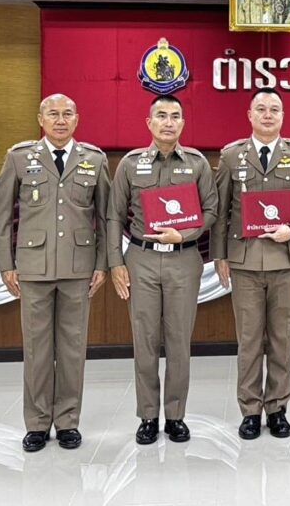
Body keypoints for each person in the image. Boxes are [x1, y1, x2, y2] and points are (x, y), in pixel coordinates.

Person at [0, 94, 110, 452]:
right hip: (33, 267)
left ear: (77, 119)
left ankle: (68, 421)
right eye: (53, 114)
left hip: (78, 267)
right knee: (37, 348)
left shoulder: (94, 159)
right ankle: (37, 423)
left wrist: (102, 263)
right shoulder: (19, 157)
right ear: (40, 119)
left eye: (67, 114)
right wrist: (6, 264)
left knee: (73, 348)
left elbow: (105, 217)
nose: (60, 120)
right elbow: (1, 216)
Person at [211, 88, 290, 440]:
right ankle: (250, 410)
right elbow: (220, 209)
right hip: (245, 261)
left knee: (282, 339)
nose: (267, 115)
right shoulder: (232, 156)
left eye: (274, 109)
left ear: (282, 116)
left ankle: (277, 408)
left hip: (286, 261)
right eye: (260, 109)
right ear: (249, 115)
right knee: (249, 341)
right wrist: (219, 255)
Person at [107, 94, 218, 445]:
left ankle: (175, 416)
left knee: (179, 342)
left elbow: (212, 211)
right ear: (149, 122)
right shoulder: (130, 164)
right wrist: (115, 262)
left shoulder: (197, 163)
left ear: (183, 122)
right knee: (144, 342)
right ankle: (147, 416)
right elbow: (114, 215)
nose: (169, 122)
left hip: (183, 259)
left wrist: (184, 234)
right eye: (162, 116)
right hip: (141, 259)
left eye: (175, 116)